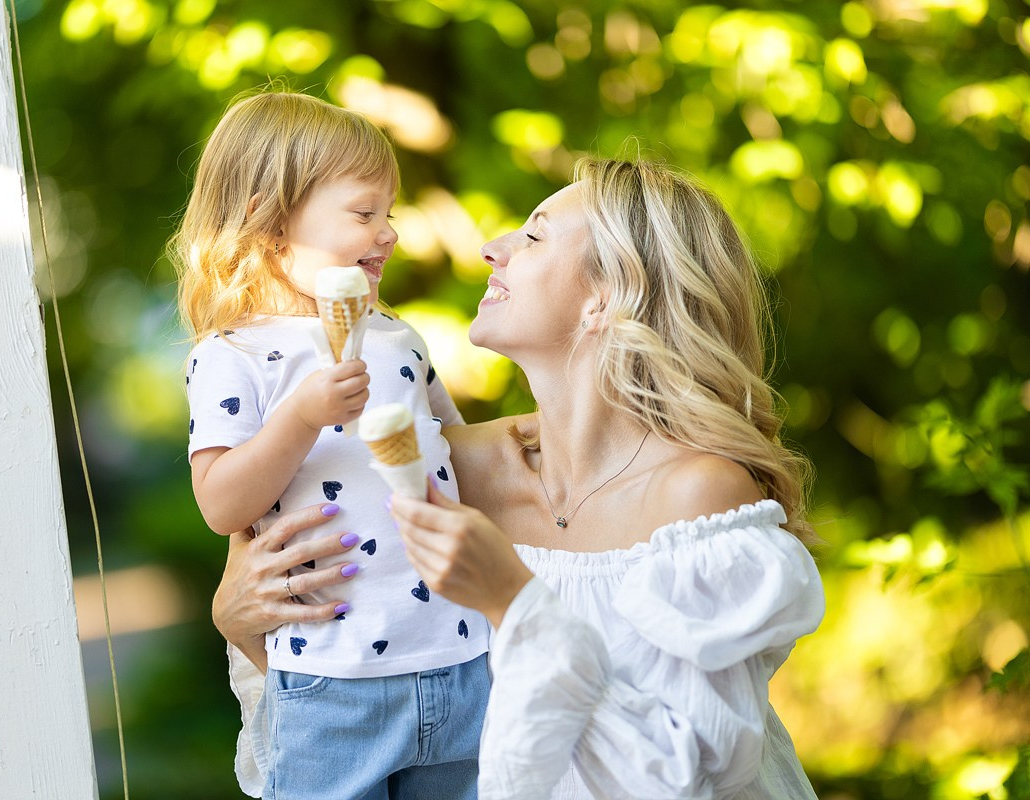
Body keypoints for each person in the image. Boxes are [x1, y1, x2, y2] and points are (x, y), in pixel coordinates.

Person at [213, 155, 824, 799]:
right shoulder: (446, 471)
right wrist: (240, 621)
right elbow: (351, 683)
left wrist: (512, 600)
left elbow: (691, 776)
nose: (491, 248)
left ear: (605, 298)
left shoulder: (698, 493)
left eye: (532, 236)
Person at [176, 90, 489, 800]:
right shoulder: (234, 354)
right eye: (363, 213)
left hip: (461, 652)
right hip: (333, 676)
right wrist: (302, 416)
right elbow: (223, 504)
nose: (389, 234)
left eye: (391, 214)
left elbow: (464, 455)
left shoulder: (398, 338)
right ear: (269, 220)